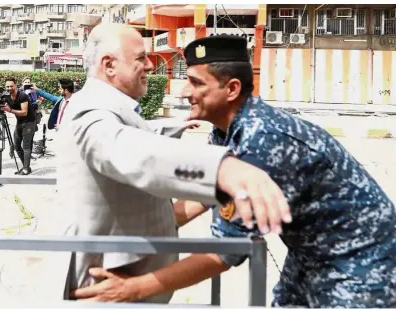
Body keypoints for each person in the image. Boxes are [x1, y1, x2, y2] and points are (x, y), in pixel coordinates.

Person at [73, 35, 396, 308]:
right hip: (314, 254)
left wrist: (135, 288)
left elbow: (227, 250)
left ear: (231, 90)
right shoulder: (227, 127)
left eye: (195, 83)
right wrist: (150, 228)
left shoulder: (260, 140)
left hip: (365, 259)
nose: (183, 91)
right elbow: (211, 195)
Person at [55, 24, 291, 303]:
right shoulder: (91, 110)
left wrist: (177, 129)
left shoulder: (107, 106)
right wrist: (221, 169)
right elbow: (126, 149)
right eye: (141, 58)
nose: (150, 66)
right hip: (103, 286)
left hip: (123, 280)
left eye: (197, 82)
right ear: (109, 65)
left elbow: (137, 135)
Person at [1, 78, 37, 175]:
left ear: (15, 85)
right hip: (19, 122)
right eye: (7, 86)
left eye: (11, 86)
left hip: (29, 121)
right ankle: (26, 166)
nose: (9, 88)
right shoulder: (6, 96)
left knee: (26, 145)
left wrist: (10, 110)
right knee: (16, 145)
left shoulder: (22, 96)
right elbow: (1, 106)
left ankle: (25, 168)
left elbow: (24, 112)